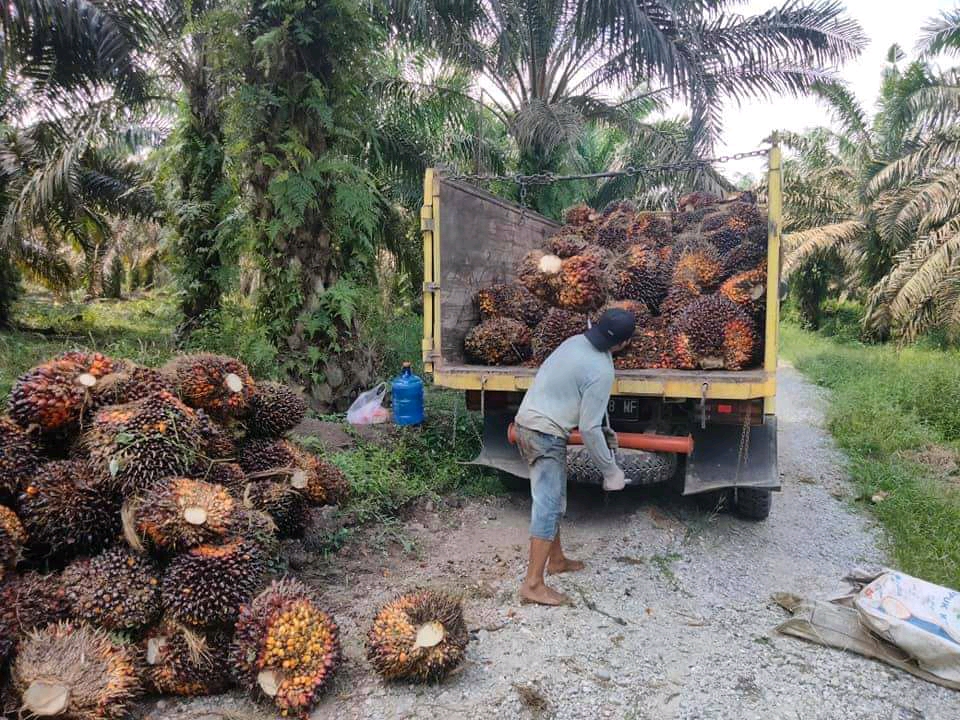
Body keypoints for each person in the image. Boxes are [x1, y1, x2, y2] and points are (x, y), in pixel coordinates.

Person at [513, 307, 636, 606]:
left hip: (526, 424)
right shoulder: (602, 370)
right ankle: (533, 585)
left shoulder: (574, 342)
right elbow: (589, 430)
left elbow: (580, 403)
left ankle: (556, 560)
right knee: (549, 505)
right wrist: (611, 471)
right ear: (624, 343)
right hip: (544, 434)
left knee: (552, 498)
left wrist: (604, 431)